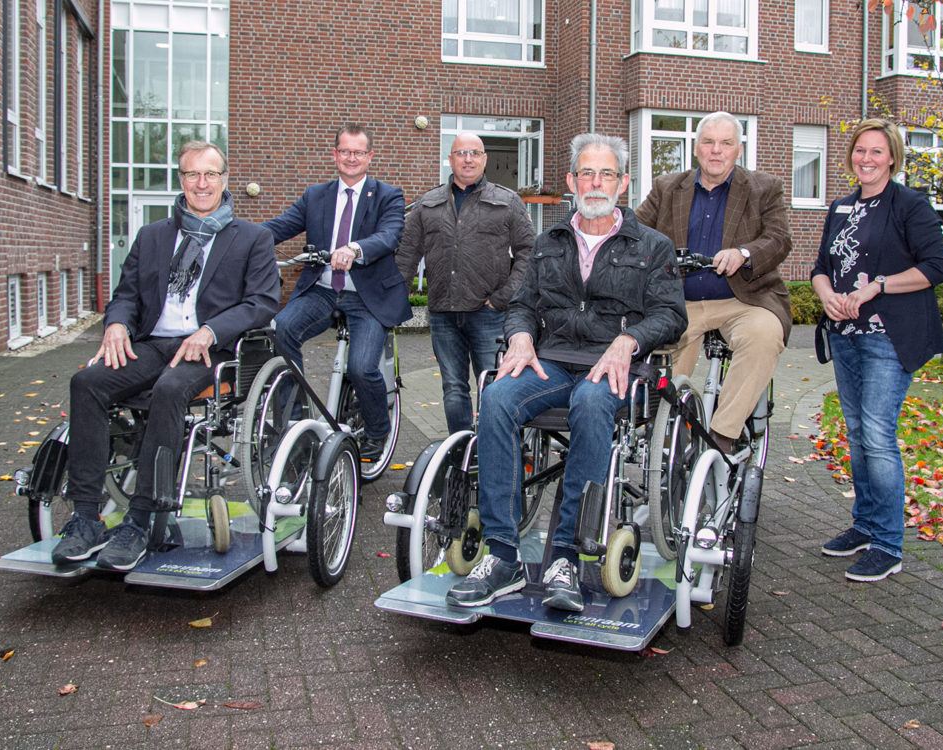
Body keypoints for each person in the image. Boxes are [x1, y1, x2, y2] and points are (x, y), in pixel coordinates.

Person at [446, 133, 687, 612]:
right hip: (553, 359)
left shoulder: (653, 246)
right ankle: (502, 555)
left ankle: (564, 558)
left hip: (615, 363)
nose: (596, 183)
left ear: (623, 182)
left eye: (607, 174)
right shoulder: (547, 242)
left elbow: (671, 315)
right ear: (571, 180)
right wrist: (519, 336)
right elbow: (521, 306)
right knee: (496, 398)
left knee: (591, 403)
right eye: (587, 173)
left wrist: (629, 340)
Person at [52, 141, 280, 570]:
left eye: (210, 174)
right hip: (153, 344)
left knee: (169, 391)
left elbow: (262, 303)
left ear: (225, 179)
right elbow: (126, 296)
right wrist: (116, 323)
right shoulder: (153, 235)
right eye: (192, 174)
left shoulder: (253, 238)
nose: (201, 183)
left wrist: (211, 330)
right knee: (87, 383)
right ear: (181, 180)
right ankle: (85, 517)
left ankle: (139, 520)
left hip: (209, 350)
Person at [812, 118, 943, 582]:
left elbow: (936, 267)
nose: (866, 159)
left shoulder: (910, 205)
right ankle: (866, 525)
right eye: (859, 151)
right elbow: (820, 267)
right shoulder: (841, 207)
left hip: (889, 335)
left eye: (876, 152)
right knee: (855, 432)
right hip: (845, 336)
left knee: (876, 434)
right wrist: (826, 293)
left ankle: (889, 544)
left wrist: (879, 287)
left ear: (892, 157)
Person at [635, 111, 792, 454]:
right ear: (696, 148)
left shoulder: (764, 188)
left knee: (763, 337)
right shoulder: (666, 187)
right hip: (681, 301)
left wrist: (745, 253)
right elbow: (636, 232)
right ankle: (667, 434)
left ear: (738, 149)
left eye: (726, 143)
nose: (716, 150)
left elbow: (779, 239)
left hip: (744, 300)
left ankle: (722, 437)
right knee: (655, 349)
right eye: (708, 142)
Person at [264, 124, 410, 460]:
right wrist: (235, 237)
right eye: (345, 151)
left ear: (370, 156)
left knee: (361, 367)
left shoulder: (388, 195)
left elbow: (389, 235)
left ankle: (377, 430)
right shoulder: (316, 196)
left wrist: (355, 249)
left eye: (358, 152)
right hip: (323, 290)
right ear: (335, 154)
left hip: (367, 297)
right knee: (282, 330)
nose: (351, 158)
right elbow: (279, 226)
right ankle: (293, 418)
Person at [396, 133, 535, 433]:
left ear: (484, 159)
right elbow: (406, 255)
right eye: (461, 153)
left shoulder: (507, 201)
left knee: (495, 389)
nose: (468, 159)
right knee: (453, 389)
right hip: (444, 314)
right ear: (450, 159)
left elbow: (529, 253)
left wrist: (504, 297)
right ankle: (459, 450)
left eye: (475, 153)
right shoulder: (427, 204)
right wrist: (390, 301)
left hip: (490, 314)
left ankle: (492, 449)